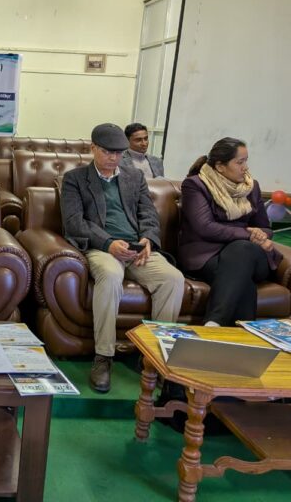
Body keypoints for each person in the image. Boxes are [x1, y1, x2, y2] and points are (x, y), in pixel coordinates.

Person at [60, 123, 184, 393]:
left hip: (136, 248)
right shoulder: (75, 179)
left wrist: (147, 239)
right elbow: (74, 223)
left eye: (118, 153)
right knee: (111, 275)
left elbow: (148, 214)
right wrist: (108, 243)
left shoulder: (134, 177)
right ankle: (104, 357)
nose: (113, 158)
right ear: (93, 148)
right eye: (107, 152)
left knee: (173, 279)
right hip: (102, 248)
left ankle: (155, 357)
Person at [178, 137, 281, 326]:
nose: (245, 168)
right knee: (243, 281)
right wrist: (248, 234)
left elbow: (265, 227)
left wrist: (261, 235)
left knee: (242, 250)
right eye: (240, 162)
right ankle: (240, 337)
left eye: (246, 161)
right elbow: (205, 227)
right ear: (220, 166)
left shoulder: (252, 187)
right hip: (208, 255)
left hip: (251, 254)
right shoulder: (196, 185)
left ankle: (213, 323)